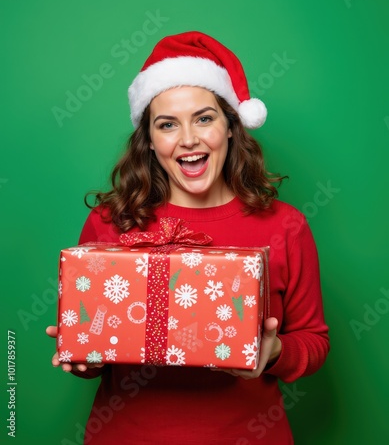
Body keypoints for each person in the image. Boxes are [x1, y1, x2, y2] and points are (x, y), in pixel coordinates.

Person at [47, 31, 330, 444]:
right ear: (150, 141)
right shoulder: (111, 222)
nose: (189, 139)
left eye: (204, 118)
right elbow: (98, 352)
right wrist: (81, 353)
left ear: (231, 126)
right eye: (167, 125)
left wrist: (273, 353)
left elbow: (314, 341)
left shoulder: (285, 226)